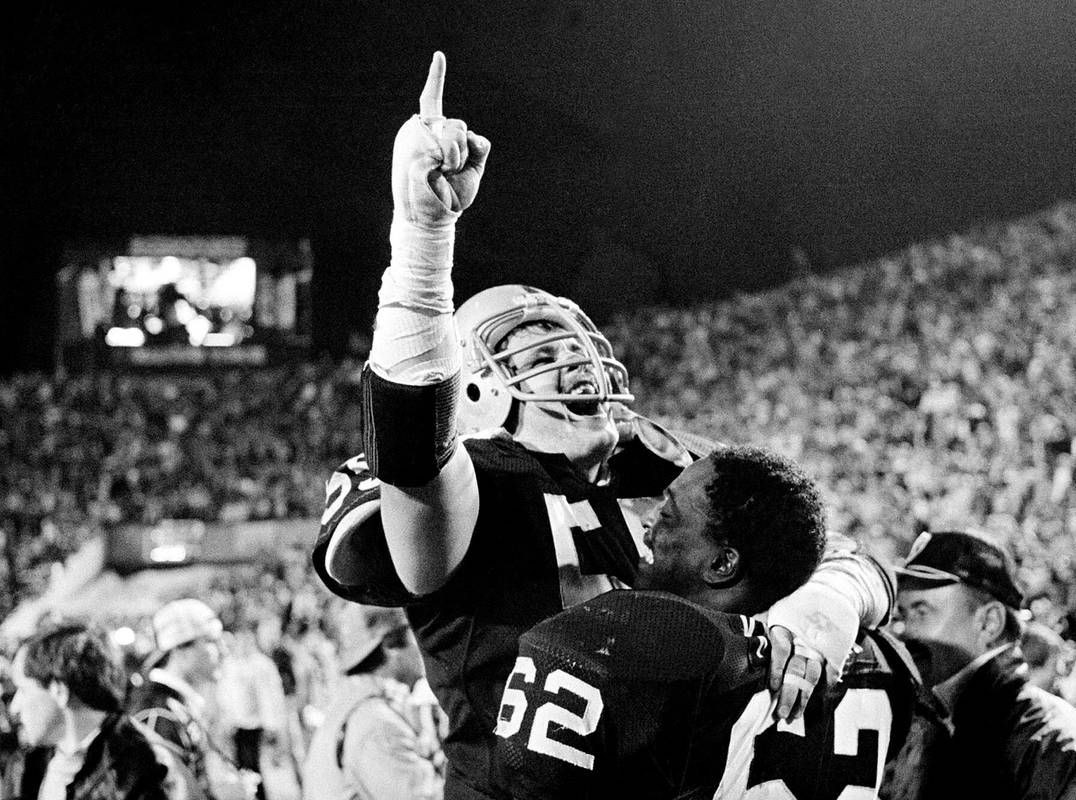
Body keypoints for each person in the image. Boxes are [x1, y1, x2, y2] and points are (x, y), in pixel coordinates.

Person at [312, 51, 893, 800]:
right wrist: (424, 242)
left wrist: (824, 606)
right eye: (540, 352)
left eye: (577, 343)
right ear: (478, 392)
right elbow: (415, 453)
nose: (578, 363)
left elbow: (830, 546)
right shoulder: (471, 481)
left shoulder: (656, 463)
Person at [493, 446, 921, 798]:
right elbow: (859, 560)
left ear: (721, 563)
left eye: (669, 514)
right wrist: (832, 599)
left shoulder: (649, 642)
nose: (647, 520)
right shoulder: (883, 657)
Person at [894, 530, 1076, 800]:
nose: (904, 631)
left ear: (989, 623)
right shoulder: (946, 726)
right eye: (902, 614)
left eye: (921, 611)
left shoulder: (1055, 744)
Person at [9, 621, 168, 800]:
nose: (14, 707)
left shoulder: (141, 769)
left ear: (59, 691)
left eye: (23, 690)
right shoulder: (30, 765)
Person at [301, 604, 443, 800]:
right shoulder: (378, 724)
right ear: (390, 646)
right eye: (415, 633)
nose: (424, 645)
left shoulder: (355, 704)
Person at [128, 599, 252, 800]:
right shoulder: (157, 715)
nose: (224, 650)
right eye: (211, 640)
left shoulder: (174, 706)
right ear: (180, 649)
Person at [214, 624, 287, 800]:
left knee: (252, 765)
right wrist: (225, 721)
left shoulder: (261, 664)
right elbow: (224, 695)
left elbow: (270, 696)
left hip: (254, 724)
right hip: (235, 724)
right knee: (239, 766)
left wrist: (272, 724)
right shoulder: (230, 664)